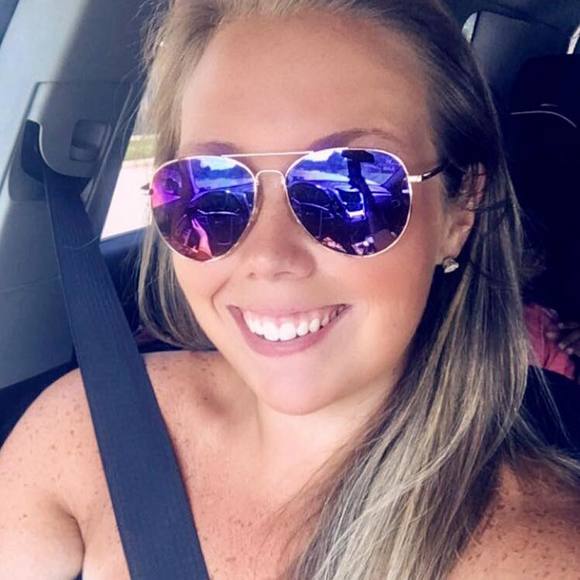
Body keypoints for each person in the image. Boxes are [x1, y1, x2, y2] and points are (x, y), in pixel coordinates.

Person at [2, 0, 580, 578]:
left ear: (460, 210)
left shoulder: (536, 554)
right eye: (210, 188)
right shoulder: (87, 430)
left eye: (351, 189)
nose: (268, 257)